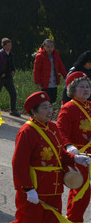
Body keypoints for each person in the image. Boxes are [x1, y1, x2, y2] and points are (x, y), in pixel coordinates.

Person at [12, 91, 90, 223]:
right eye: (45, 107)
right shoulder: (27, 131)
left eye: (50, 106)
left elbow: (60, 154)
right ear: (33, 111)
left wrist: (75, 158)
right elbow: (19, 164)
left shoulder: (53, 127)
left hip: (54, 188)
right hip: (36, 188)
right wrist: (28, 189)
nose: (50, 111)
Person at [57, 72, 91, 222]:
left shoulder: (89, 106)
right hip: (79, 156)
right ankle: (73, 220)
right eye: (81, 87)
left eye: (88, 86)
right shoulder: (68, 108)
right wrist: (69, 146)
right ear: (72, 89)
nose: (86, 90)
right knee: (81, 192)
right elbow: (60, 131)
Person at [0, 38, 20, 117]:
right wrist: (1, 73)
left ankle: (13, 110)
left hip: (8, 77)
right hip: (0, 78)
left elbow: (12, 64)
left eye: (11, 45)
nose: (10, 47)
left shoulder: (11, 54)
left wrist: (13, 70)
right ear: (3, 45)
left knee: (13, 93)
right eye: (8, 45)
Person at [33, 39, 68, 104]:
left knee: (53, 98)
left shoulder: (56, 54)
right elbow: (36, 70)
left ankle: (47, 110)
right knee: (47, 99)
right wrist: (37, 82)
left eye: (52, 47)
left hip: (54, 81)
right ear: (44, 47)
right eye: (48, 47)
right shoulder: (40, 56)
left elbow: (60, 66)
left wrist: (66, 76)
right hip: (45, 82)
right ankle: (46, 111)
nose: (50, 49)